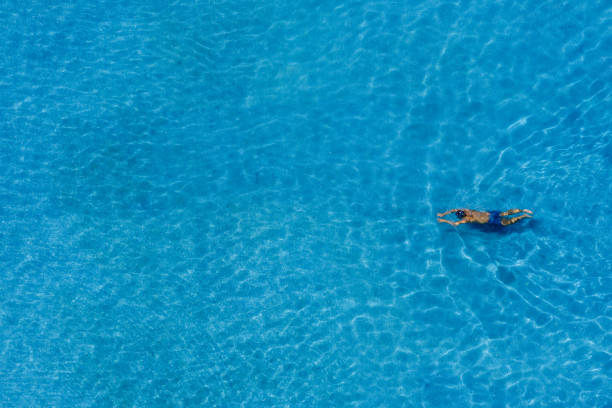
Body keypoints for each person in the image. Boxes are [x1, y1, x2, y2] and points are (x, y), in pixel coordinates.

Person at [437, 208, 533, 226]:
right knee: (505, 213)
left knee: (507, 223)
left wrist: (443, 220)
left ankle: (523, 216)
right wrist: (443, 214)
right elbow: (453, 210)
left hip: (491, 220)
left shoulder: (466, 219)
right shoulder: (466, 210)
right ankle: (523, 210)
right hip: (490, 214)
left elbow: (454, 224)